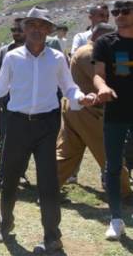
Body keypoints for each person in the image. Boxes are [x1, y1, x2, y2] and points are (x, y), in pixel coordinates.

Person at [0, 6, 97, 254]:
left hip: (47, 124)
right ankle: (5, 222)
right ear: (25, 29)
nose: (36, 30)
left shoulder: (57, 58)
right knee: (10, 177)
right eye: (32, 25)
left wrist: (82, 97)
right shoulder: (13, 57)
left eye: (42, 26)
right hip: (16, 124)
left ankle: (51, 235)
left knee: (48, 181)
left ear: (48, 31)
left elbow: (69, 87)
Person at [56, 23, 131, 195]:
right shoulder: (89, 54)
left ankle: (48, 189)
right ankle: (124, 192)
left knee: (66, 154)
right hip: (89, 112)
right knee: (110, 152)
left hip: (77, 110)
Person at [92, 0, 133, 240]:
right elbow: (98, 75)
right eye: (116, 11)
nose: (119, 15)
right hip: (115, 112)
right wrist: (102, 88)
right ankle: (116, 219)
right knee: (113, 166)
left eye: (125, 11)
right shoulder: (105, 43)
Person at [0, 19, 28, 193]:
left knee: (26, 143)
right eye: (13, 29)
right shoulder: (4, 51)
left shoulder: (35, 51)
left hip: (28, 106)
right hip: (7, 106)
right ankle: (2, 176)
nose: (15, 33)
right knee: (6, 142)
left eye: (18, 30)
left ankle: (20, 173)